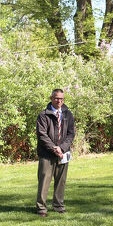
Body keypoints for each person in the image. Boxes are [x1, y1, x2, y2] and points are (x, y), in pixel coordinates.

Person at [35, 89, 76, 217]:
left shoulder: (68, 114)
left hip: (63, 154)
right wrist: (54, 148)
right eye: (57, 98)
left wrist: (62, 148)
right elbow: (42, 135)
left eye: (62, 99)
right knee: (44, 182)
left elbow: (71, 134)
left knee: (61, 181)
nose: (59, 101)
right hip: (47, 154)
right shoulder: (43, 115)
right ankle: (41, 208)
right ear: (51, 98)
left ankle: (58, 205)